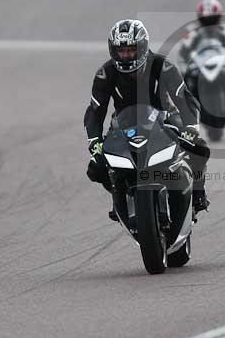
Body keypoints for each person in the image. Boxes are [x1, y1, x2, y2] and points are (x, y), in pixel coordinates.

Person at [85, 19, 210, 221]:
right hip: (122, 125)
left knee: (200, 148)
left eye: (130, 50)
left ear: (142, 46)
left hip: (165, 119)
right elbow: (95, 110)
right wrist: (94, 141)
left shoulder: (163, 67)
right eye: (120, 51)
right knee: (96, 168)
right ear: (112, 50)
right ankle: (121, 196)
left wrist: (191, 127)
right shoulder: (105, 73)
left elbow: (184, 99)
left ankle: (197, 194)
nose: (125, 55)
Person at [179, 0, 225, 108]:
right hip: (200, 59)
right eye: (206, 20)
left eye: (213, 19)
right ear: (200, 18)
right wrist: (186, 62)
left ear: (219, 17)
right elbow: (185, 48)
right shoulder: (192, 30)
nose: (209, 23)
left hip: (221, 57)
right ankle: (185, 101)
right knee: (184, 75)